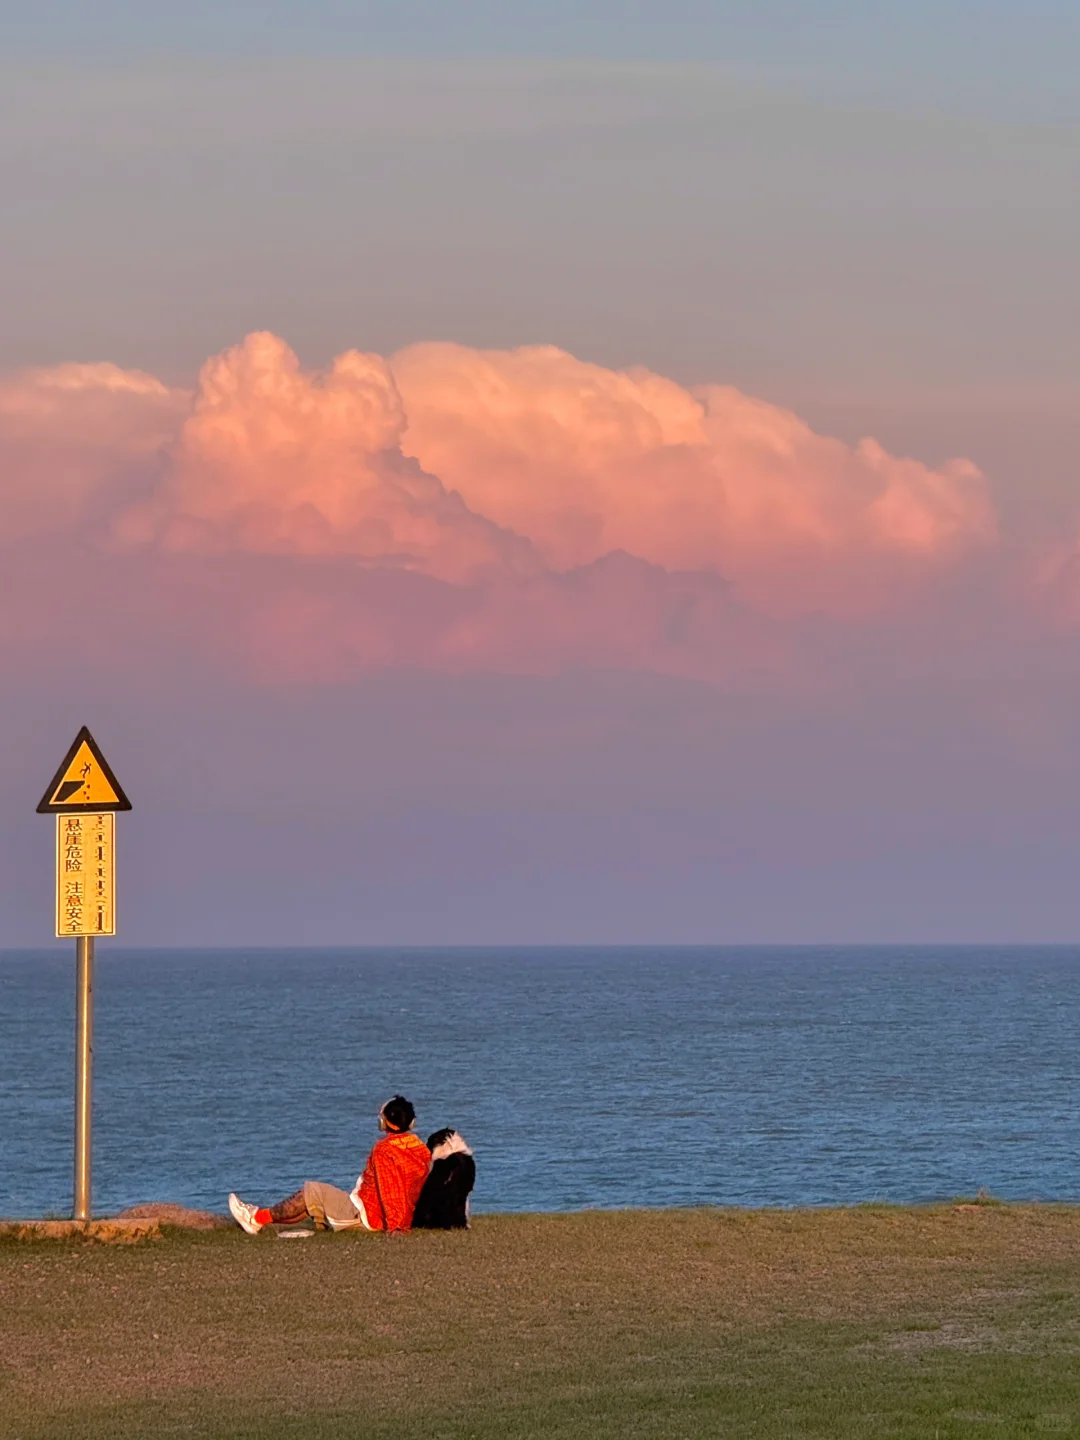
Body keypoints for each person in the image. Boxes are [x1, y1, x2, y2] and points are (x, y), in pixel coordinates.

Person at [228, 1096, 431, 1235]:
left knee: (313, 1191)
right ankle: (259, 1220)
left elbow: (391, 1191)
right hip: (389, 1215)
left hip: (367, 1215)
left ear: (385, 1123)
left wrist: (396, 1228)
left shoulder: (385, 1150)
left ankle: (254, 1218)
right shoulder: (420, 1148)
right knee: (312, 1204)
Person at [411, 1128, 475, 1230]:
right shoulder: (468, 1163)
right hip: (456, 1218)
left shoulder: (442, 1164)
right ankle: (460, 1222)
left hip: (432, 1218)